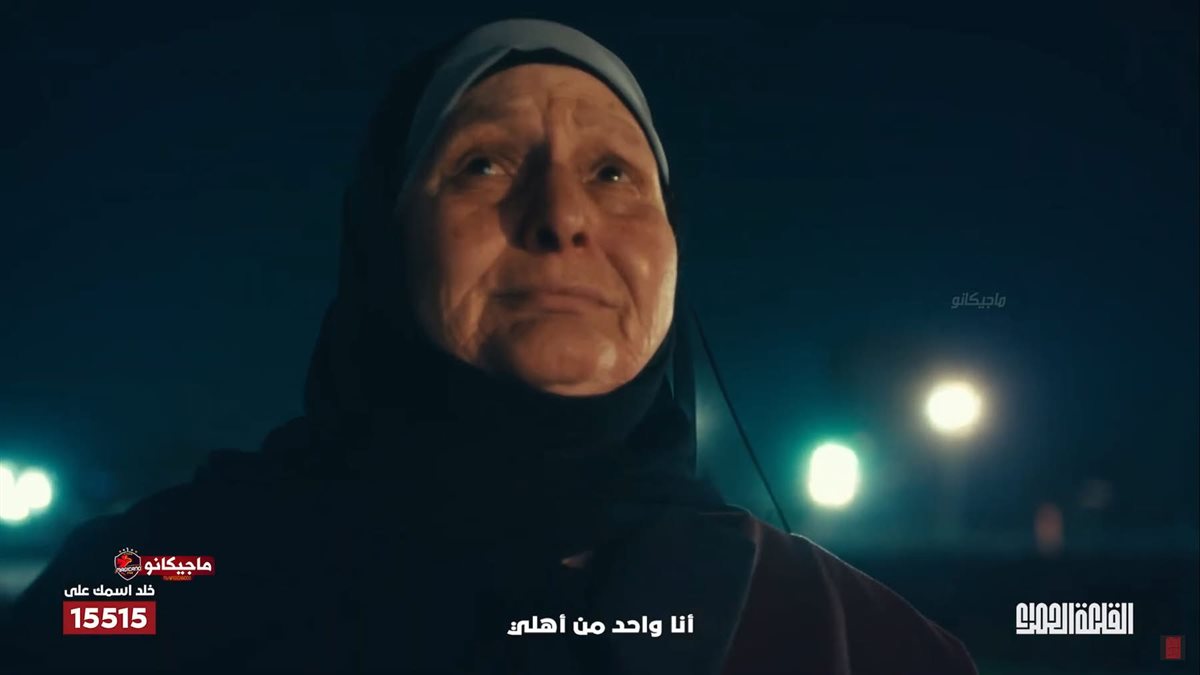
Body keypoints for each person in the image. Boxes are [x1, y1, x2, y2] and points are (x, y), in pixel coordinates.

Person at [3, 19, 978, 674]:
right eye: (482, 163)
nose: (561, 217)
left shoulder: (855, 641)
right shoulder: (140, 592)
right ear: (380, 242)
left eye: (613, 172)